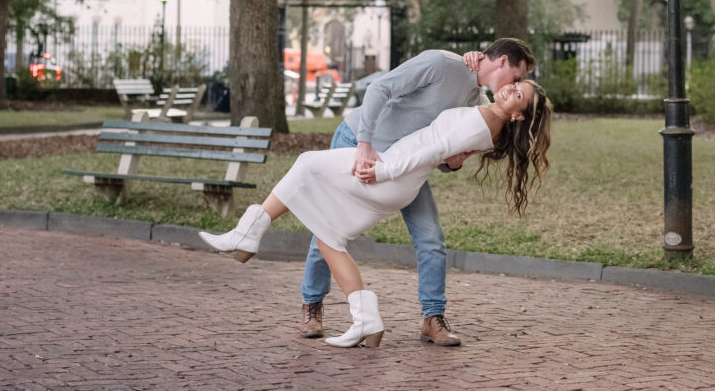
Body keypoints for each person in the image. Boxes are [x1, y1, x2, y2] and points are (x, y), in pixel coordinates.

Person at [198, 80, 553, 348]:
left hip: (391, 172)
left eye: (517, 95)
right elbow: (460, 131)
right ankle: (366, 320)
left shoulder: (481, 122)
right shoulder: (490, 122)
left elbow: (431, 149)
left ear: (519, 114)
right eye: (513, 85)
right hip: (400, 183)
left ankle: (249, 232)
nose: (509, 89)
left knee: (306, 164)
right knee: (330, 237)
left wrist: (381, 170)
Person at [299, 38, 534, 346]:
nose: (514, 85)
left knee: (431, 238)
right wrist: (365, 144)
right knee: (329, 228)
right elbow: (378, 89)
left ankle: (433, 319)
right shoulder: (441, 64)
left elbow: (437, 151)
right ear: (503, 61)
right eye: (517, 78)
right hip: (358, 142)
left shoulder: (477, 102)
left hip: (404, 168)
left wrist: (454, 163)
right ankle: (312, 306)